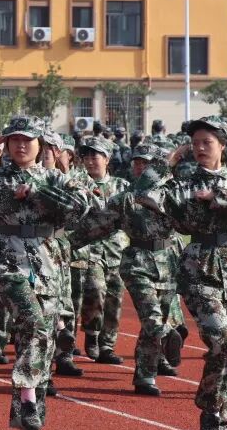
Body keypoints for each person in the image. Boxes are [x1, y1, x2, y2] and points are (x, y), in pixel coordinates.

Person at [0, 116, 94, 430]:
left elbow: (82, 207)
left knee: (42, 338)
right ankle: (28, 405)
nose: (21, 145)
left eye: (28, 139)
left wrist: (40, 193)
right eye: (14, 139)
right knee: (33, 324)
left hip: (48, 264)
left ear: (40, 144)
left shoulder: (55, 178)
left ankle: (29, 420)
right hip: (7, 262)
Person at [149, 116, 227, 430]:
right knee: (222, 343)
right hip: (199, 269)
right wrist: (168, 161)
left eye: (207, 142)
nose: (200, 148)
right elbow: (146, 194)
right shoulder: (184, 182)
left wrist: (219, 197)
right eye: (195, 143)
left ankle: (223, 424)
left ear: (223, 146)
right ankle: (209, 405)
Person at [73, 142, 185, 395]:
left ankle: (145, 375)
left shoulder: (175, 194)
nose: (140, 167)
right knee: (152, 316)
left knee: (156, 318)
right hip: (137, 262)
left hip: (168, 261)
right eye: (137, 162)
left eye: (146, 163)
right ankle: (166, 334)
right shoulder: (126, 198)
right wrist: (66, 244)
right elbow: (97, 226)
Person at [75, 137, 130, 366]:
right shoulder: (79, 184)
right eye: (86, 156)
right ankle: (92, 334)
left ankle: (107, 345)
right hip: (90, 250)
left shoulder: (122, 186)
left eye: (94, 156)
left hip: (117, 250)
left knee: (114, 298)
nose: (90, 161)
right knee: (95, 290)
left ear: (106, 159)